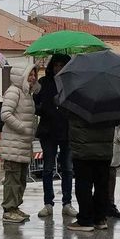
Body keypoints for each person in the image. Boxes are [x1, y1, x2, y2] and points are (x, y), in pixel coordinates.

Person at [34, 54, 77, 218]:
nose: (58, 68)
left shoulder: (71, 84)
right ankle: (48, 203)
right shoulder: (44, 83)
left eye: (62, 65)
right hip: (48, 131)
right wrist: (46, 105)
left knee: (67, 168)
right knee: (47, 168)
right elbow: (35, 105)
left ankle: (67, 203)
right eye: (56, 65)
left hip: (67, 130)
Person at [65, 112, 118, 232]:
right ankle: (100, 218)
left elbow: (68, 116)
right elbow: (117, 121)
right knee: (102, 184)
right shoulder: (110, 101)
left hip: (83, 149)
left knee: (84, 184)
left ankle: (85, 220)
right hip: (104, 150)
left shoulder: (77, 100)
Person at [0, 64, 38, 223]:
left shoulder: (27, 93)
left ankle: (15, 207)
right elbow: (5, 114)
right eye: (30, 74)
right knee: (12, 179)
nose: (33, 78)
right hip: (13, 144)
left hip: (23, 144)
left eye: (34, 74)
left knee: (21, 179)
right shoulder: (14, 92)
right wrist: (22, 128)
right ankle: (9, 209)